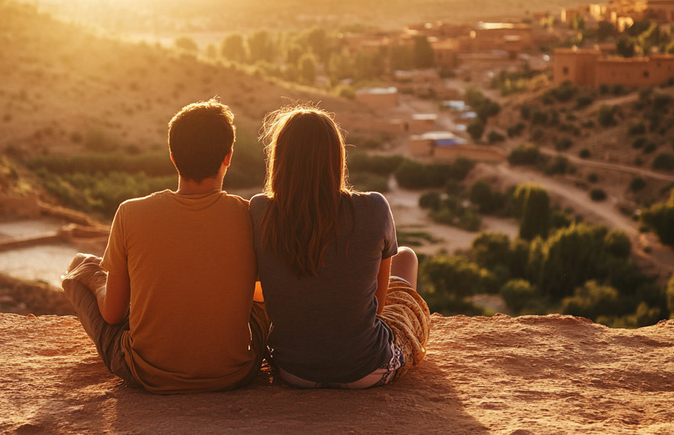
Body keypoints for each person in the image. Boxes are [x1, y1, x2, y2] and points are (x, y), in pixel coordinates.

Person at [62, 99, 268, 394]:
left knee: (76, 271)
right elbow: (262, 294)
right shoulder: (249, 215)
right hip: (234, 373)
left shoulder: (130, 213)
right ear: (228, 156)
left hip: (148, 373)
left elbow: (112, 315)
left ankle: (85, 273)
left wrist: (94, 277)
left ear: (173, 157)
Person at [250, 105, 430, 389]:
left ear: (280, 159)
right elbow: (378, 304)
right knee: (406, 258)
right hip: (367, 369)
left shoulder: (260, 211)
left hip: (294, 370)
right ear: (336, 157)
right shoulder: (374, 207)